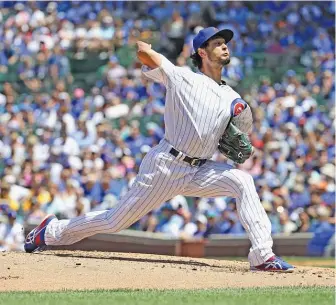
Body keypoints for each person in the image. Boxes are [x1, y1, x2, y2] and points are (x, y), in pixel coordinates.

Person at [24, 27, 294, 272]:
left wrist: (240, 128)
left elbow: (241, 131)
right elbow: (145, 54)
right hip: (165, 166)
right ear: (201, 52)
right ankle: (50, 231)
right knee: (113, 221)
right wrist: (142, 44)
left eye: (225, 43)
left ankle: (262, 256)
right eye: (218, 43)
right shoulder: (182, 77)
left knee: (243, 181)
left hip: (199, 170)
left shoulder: (232, 96)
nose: (225, 47)